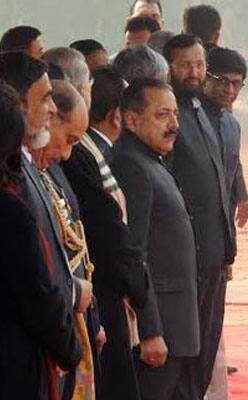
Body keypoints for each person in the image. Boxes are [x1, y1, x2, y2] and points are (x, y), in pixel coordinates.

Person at [0, 51, 93, 400]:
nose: (52, 109)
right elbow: (36, 285)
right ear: (15, 108)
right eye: (45, 98)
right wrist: (71, 348)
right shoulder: (12, 196)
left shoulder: (29, 171)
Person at [60, 66, 151, 400]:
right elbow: (109, 231)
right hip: (99, 297)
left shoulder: (86, 150)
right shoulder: (79, 153)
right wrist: (137, 290)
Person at [111, 78, 200, 400]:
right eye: (162, 115)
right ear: (131, 120)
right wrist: (150, 330)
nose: (174, 124)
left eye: (175, 114)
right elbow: (134, 253)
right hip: (159, 326)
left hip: (175, 320)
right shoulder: (130, 165)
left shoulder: (150, 160)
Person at [163, 34, 235, 397]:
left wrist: (227, 249)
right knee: (186, 355)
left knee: (205, 352)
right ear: (169, 68)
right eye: (185, 65)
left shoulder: (202, 110)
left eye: (199, 64)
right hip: (185, 261)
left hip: (214, 256)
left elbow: (219, 180)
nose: (194, 72)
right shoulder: (168, 115)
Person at [32, 80, 102, 400]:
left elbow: (77, 251)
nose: (67, 153)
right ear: (49, 118)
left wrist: (92, 321)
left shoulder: (50, 170)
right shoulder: (22, 180)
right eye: (69, 139)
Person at [201, 46, 248, 400]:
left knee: (213, 321)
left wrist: (243, 193)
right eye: (224, 82)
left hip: (222, 239)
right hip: (195, 240)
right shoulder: (188, 120)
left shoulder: (231, 123)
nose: (231, 91)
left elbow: (231, 167)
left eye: (238, 85)